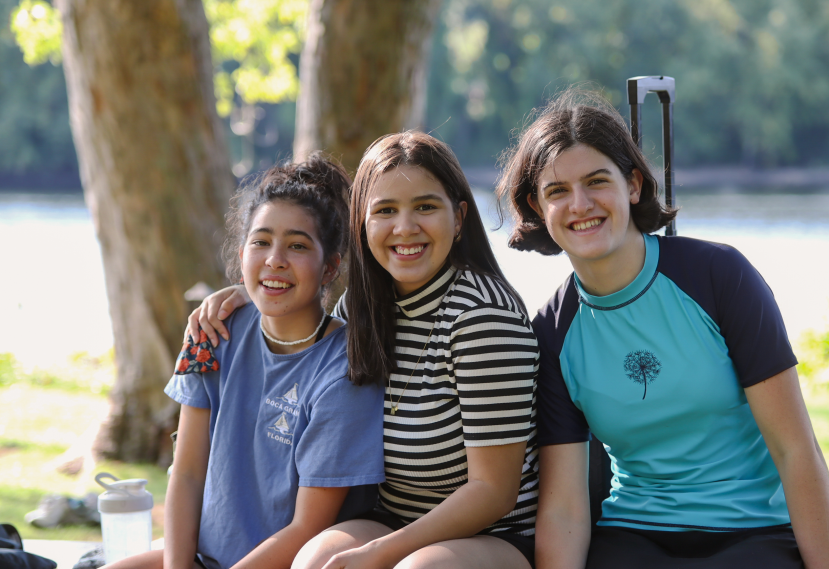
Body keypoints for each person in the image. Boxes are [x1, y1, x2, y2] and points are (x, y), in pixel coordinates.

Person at [496, 89, 829, 569]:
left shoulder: (719, 276)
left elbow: (795, 450)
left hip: (752, 531)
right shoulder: (553, 332)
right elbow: (564, 506)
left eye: (597, 181)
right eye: (557, 191)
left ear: (633, 185)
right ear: (536, 206)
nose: (580, 204)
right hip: (635, 535)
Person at [187, 132, 540, 569]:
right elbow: (298, 318)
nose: (404, 228)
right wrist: (245, 294)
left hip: (494, 535)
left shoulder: (483, 320)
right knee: (315, 559)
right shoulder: (361, 306)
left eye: (425, 207)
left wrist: (378, 553)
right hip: (392, 519)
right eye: (385, 211)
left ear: (459, 216)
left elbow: (494, 492)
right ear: (362, 223)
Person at [108, 155, 386, 569]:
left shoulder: (344, 372)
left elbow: (307, 528)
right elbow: (184, 474)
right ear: (241, 258)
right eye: (261, 242)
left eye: (297, 245)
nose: (275, 259)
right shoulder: (212, 331)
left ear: (330, 268)